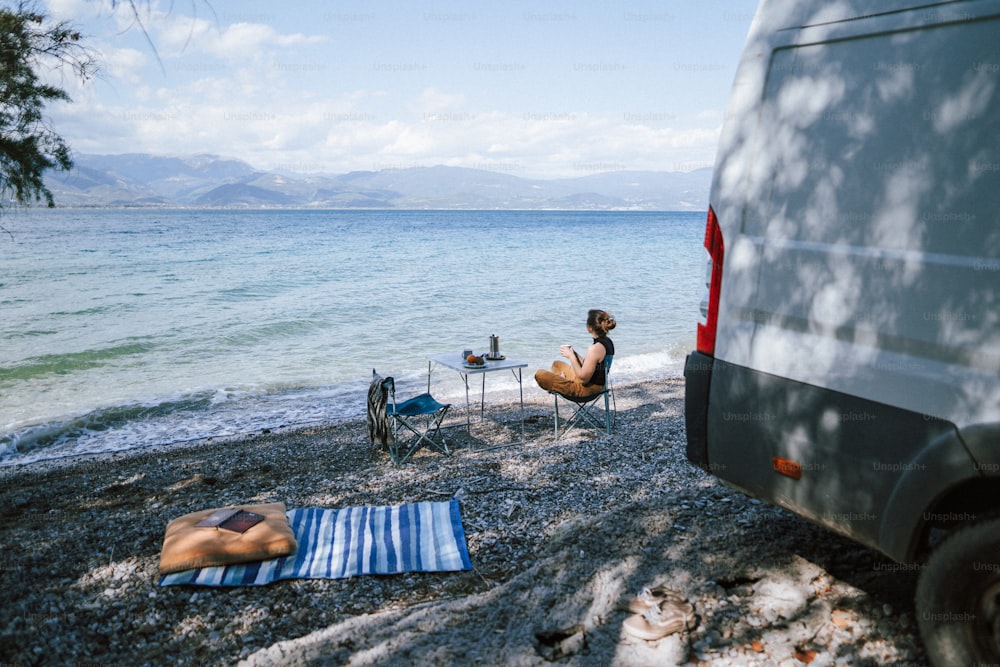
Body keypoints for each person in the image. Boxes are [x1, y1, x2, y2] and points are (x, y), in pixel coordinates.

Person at [534, 309, 616, 398]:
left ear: (590, 328)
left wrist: (571, 357)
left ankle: (561, 383)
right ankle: (562, 381)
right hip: (598, 385)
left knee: (540, 375)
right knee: (556, 364)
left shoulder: (595, 348)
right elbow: (591, 365)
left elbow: (583, 379)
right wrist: (574, 353)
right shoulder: (607, 341)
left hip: (588, 391)